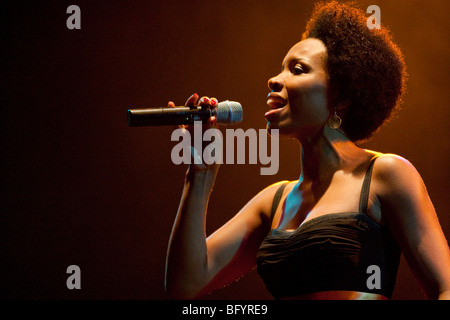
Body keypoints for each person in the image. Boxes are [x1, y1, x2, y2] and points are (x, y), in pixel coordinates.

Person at [164, 1, 450, 300]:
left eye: (297, 70)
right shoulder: (272, 202)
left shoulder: (385, 175)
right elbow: (185, 285)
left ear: (341, 95)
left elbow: (445, 287)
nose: (274, 80)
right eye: (280, 69)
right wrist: (199, 173)